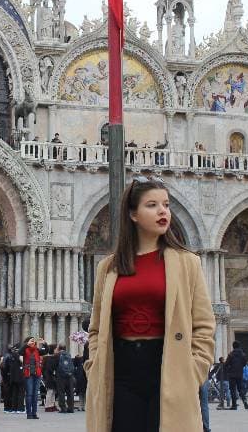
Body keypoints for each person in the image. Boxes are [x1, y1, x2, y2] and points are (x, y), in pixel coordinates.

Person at [85, 176, 215, 432]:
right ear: (133, 214)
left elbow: (204, 324)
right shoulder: (108, 268)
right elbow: (96, 327)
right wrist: (94, 364)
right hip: (120, 370)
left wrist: (194, 370)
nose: (162, 211)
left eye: (166, 205)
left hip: (169, 366)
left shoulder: (188, 263)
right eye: (152, 205)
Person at [225, 341, 248, 410]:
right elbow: (245, 363)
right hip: (240, 374)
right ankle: (245, 404)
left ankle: (234, 405)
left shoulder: (231, 354)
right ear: (239, 346)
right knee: (241, 390)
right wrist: (240, 367)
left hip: (232, 375)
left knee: (233, 390)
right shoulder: (243, 354)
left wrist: (229, 368)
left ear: (233, 346)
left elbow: (226, 364)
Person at [21, 336, 43, 419]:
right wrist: (27, 344)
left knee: (35, 395)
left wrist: (44, 343)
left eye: (34, 341)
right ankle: (29, 413)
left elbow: (46, 351)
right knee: (29, 394)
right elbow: (19, 352)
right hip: (28, 374)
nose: (33, 342)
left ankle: (34, 413)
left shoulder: (37, 350)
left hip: (37, 374)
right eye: (31, 341)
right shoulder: (25, 350)